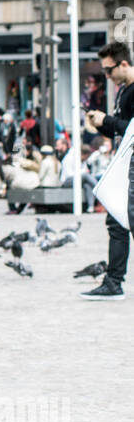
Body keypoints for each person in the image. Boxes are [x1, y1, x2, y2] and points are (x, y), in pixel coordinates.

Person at [81, 40, 134, 300]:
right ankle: (113, 281)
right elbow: (120, 130)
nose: (107, 76)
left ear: (124, 63)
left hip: (131, 164)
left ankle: (114, 281)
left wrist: (109, 120)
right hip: (123, 164)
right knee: (116, 220)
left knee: (127, 220)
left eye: (109, 70)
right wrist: (100, 123)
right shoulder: (123, 91)